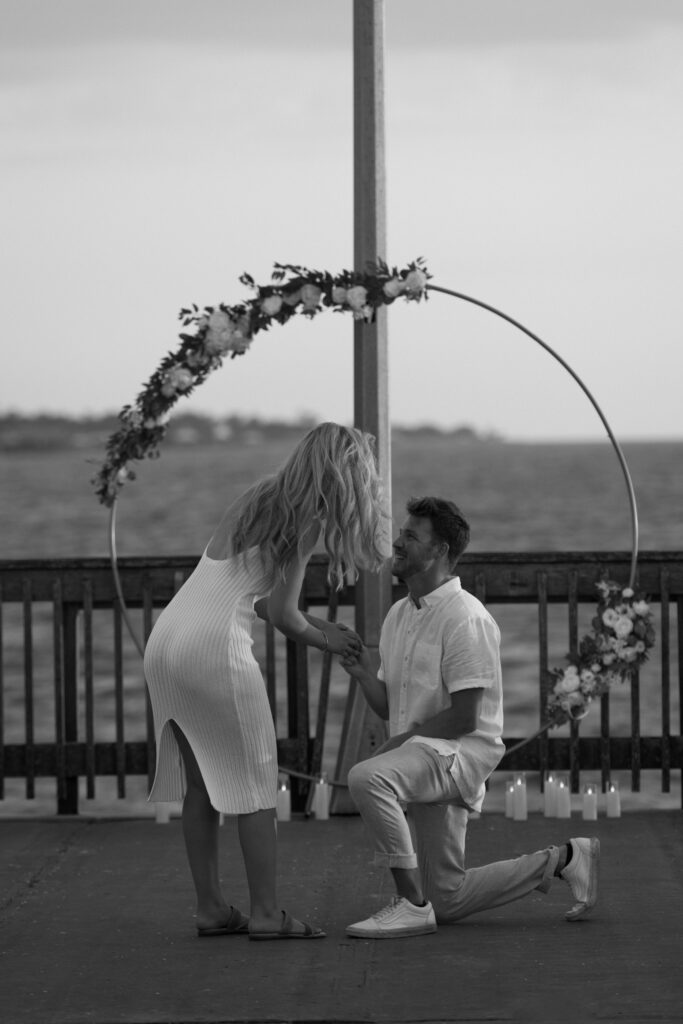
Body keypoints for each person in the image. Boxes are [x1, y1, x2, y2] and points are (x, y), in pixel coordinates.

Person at [143, 422, 388, 940]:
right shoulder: (306, 521)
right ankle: (266, 915)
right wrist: (332, 642)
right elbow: (283, 616)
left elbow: (246, 593)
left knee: (202, 786)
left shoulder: (254, 499)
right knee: (256, 783)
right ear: (343, 476)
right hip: (213, 647)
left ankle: (211, 908)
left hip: (167, 637)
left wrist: (321, 626)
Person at [340, 496, 600, 938]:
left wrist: (394, 747)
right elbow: (391, 709)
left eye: (410, 536)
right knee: (448, 899)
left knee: (368, 777)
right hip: (422, 755)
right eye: (401, 534)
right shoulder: (397, 615)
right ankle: (566, 859)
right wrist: (364, 672)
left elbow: (464, 718)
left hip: (455, 757)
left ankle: (409, 904)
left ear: (440, 550)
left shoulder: (466, 617)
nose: (398, 543)